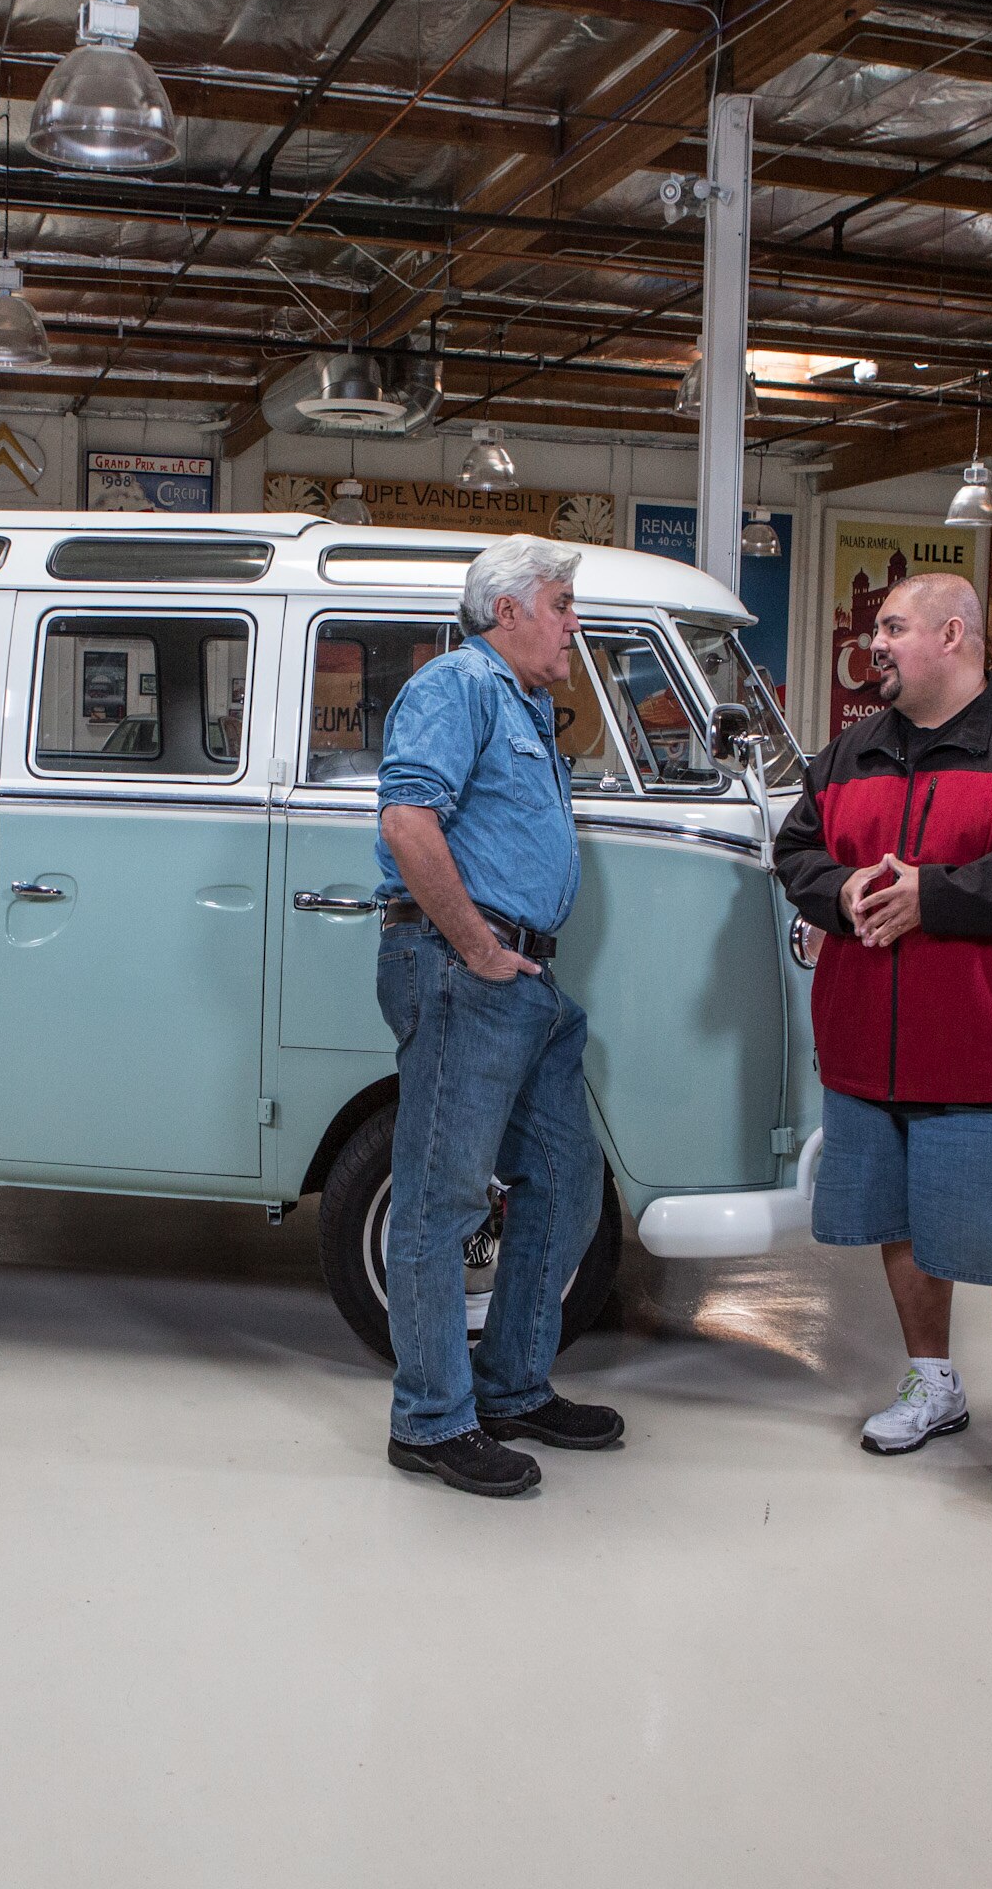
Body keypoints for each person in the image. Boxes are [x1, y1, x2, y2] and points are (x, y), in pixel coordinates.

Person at [773, 572, 992, 1521]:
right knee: (903, 1224)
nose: (873, 645)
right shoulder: (850, 752)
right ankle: (935, 1381)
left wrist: (937, 898)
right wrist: (839, 893)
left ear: (952, 634)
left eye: (892, 628)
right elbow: (796, 850)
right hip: (870, 1054)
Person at [370, 535, 621, 1498]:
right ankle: (430, 1422)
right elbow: (407, 821)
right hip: (464, 971)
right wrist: (477, 947)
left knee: (563, 1181)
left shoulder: (524, 704)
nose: (572, 622)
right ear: (507, 611)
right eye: (561, 603)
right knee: (442, 1199)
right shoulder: (457, 686)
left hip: (521, 979)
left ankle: (511, 1387)